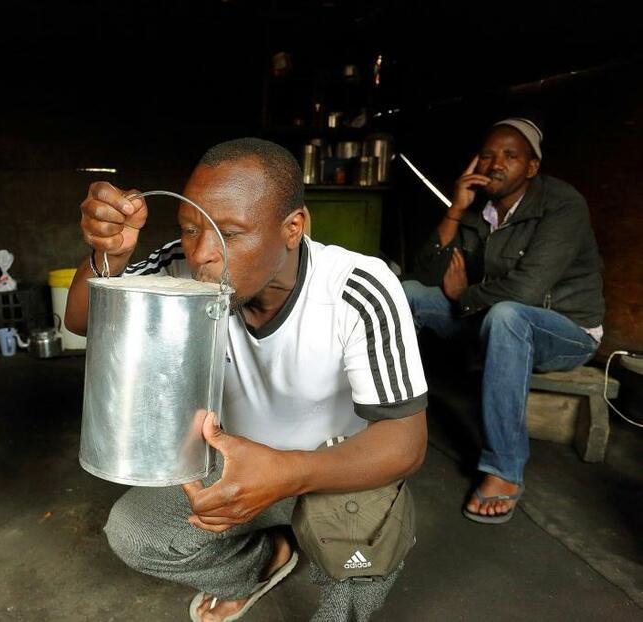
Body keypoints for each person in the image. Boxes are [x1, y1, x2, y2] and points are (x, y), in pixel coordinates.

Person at [65, 138, 428, 622]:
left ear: (293, 228)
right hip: (235, 467)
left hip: (338, 472)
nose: (202, 255)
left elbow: (405, 444)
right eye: (191, 229)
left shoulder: (357, 289)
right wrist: (107, 254)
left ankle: (332, 560)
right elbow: (84, 320)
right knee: (137, 534)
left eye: (229, 233)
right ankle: (266, 559)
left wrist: (289, 472)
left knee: (353, 594)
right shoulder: (180, 267)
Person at [402, 118, 604, 524]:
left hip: (566, 330)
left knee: (509, 315)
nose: (496, 164)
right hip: (492, 317)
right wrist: (456, 209)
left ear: (531, 167)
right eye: (489, 155)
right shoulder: (481, 213)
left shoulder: (561, 204)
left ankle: (505, 470)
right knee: (406, 294)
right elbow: (426, 274)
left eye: (510, 156)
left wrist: (462, 297)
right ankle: (376, 419)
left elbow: (526, 292)